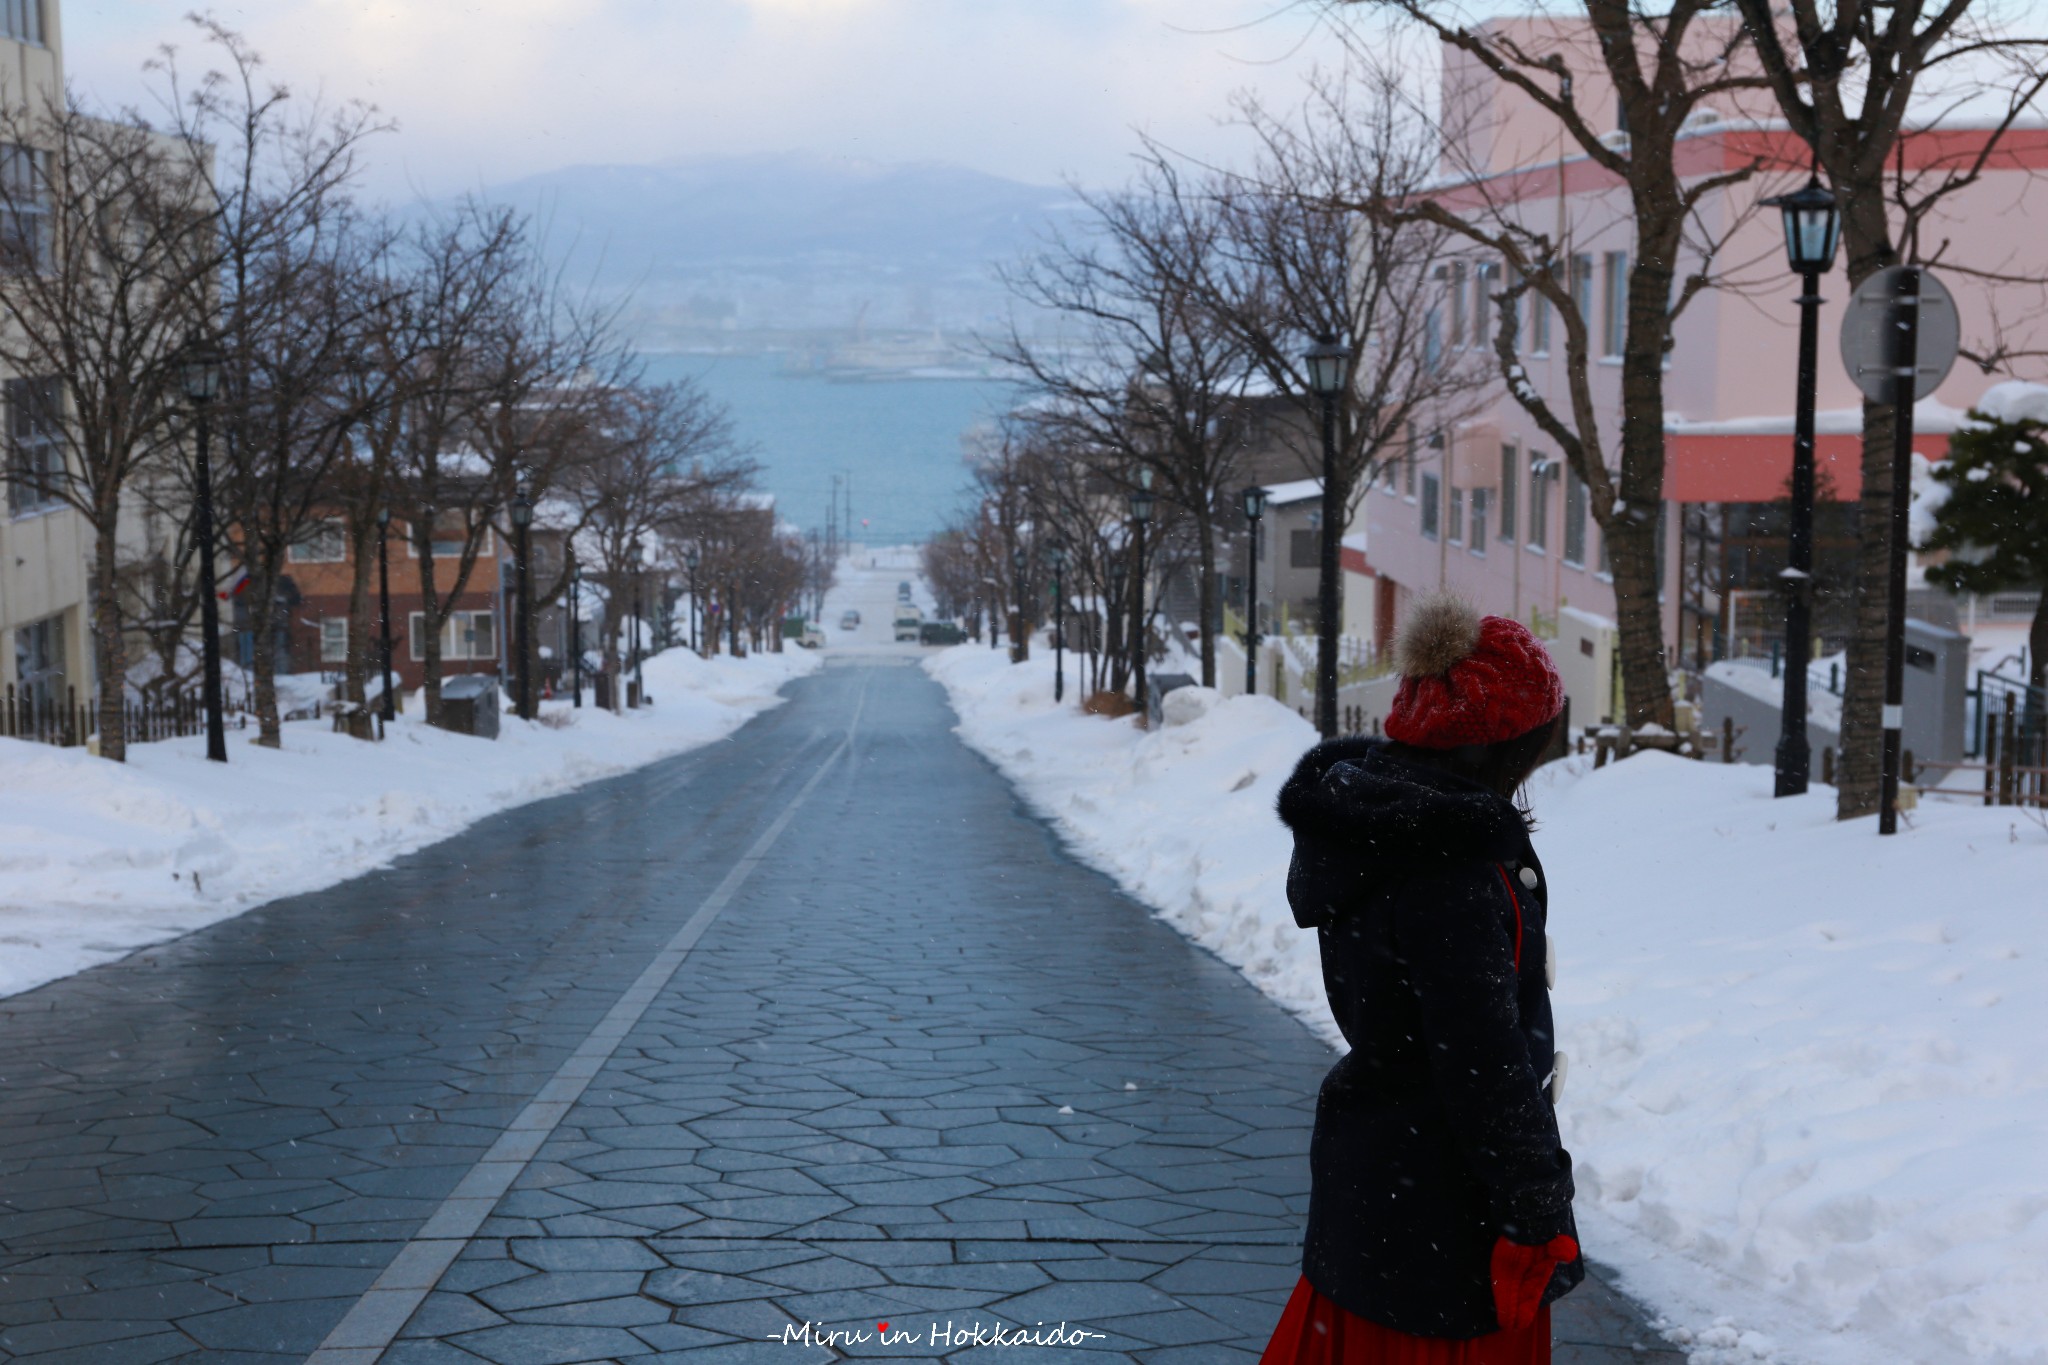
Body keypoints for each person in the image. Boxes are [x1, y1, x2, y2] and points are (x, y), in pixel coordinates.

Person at [1262, 593, 1583, 1365]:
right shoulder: (1450, 866)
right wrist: (1539, 1204)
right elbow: (1484, 1065)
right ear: (1505, 742)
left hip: (1378, 1182)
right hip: (1442, 1210)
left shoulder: (1378, 825)